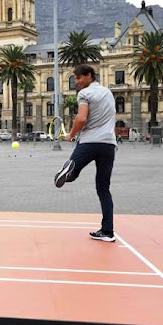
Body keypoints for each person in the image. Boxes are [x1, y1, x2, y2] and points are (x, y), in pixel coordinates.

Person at [53, 65, 117, 242]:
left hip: (89, 142)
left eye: (79, 78)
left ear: (89, 76)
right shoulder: (108, 92)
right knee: (104, 189)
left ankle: (69, 169)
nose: (78, 82)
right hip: (109, 144)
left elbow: (81, 118)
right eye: (76, 79)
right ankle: (107, 231)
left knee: (71, 176)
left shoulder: (84, 94)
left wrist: (71, 135)